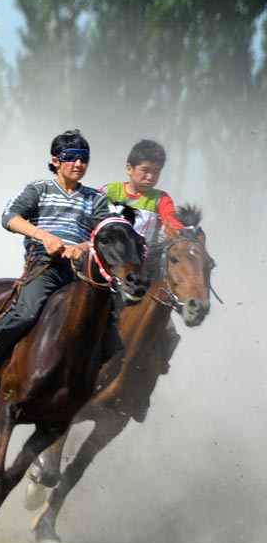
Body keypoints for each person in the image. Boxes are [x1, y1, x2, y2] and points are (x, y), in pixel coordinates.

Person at [0, 129, 114, 389]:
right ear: (55, 161)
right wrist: (44, 236)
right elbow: (9, 217)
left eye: (84, 158)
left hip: (82, 271)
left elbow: (105, 234)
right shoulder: (39, 188)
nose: (79, 164)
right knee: (27, 311)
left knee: (112, 331)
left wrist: (84, 246)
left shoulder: (96, 198)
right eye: (71, 157)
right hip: (45, 264)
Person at [102, 139, 182, 373]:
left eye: (156, 172)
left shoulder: (161, 199)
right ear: (130, 168)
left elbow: (170, 220)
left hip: (140, 274)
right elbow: (91, 214)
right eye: (145, 170)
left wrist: (174, 231)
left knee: (168, 331)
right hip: (107, 268)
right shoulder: (109, 191)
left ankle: (151, 370)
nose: (150, 177)